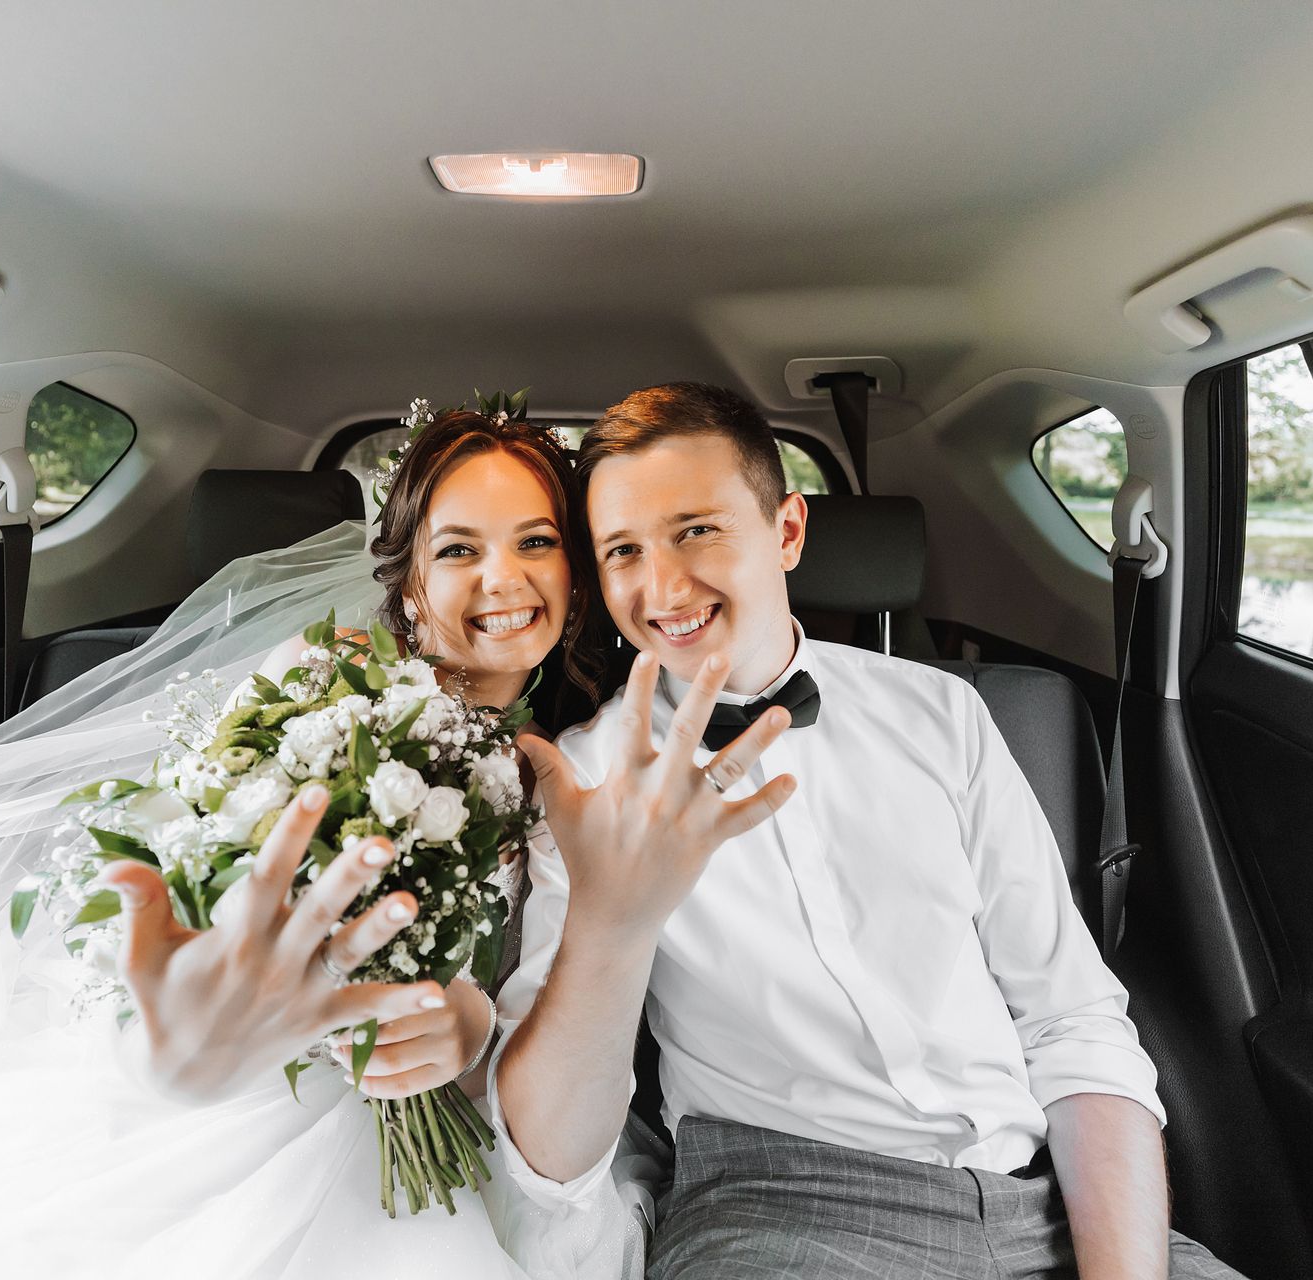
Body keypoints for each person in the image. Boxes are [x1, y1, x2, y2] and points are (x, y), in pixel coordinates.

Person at [0, 406, 618, 1278]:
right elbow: (185, 880)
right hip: (255, 1082)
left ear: (576, 569)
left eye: (537, 541)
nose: (504, 579)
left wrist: (471, 1025)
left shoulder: (586, 751)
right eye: (458, 548)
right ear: (403, 582)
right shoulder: (319, 688)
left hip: (419, 1104)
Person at [492, 383, 1248, 1279]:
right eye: (623, 550)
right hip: (774, 1215)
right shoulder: (581, 781)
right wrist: (612, 922)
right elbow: (546, 1159)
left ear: (786, 532)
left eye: (696, 529)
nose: (661, 587)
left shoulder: (947, 714)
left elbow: (1072, 1019)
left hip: (1046, 1197)